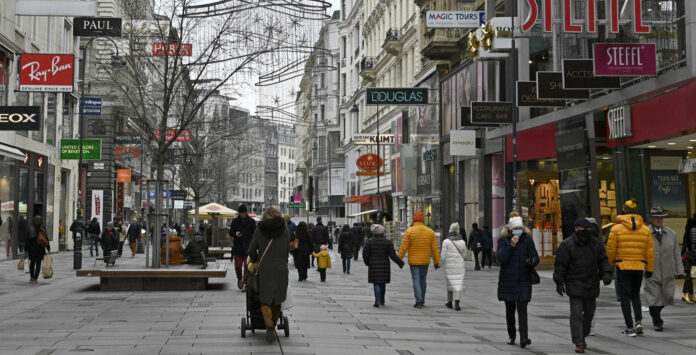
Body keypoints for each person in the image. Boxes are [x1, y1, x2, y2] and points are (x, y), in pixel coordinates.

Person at [554, 218, 612, 353]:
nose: (585, 232)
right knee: (576, 314)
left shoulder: (596, 244)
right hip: (574, 283)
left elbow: (603, 260)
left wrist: (607, 273)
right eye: (582, 230)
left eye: (587, 230)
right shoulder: (567, 245)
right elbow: (560, 265)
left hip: (591, 283)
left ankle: (583, 335)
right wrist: (559, 281)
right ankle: (579, 342)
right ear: (576, 229)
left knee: (589, 313)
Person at [606, 199, 654, 337]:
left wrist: (611, 264)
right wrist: (649, 268)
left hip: (622, 266)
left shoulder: (616, 229)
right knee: (635, 295)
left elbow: (611, 249)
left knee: (624, 297)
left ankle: (629, 326)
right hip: (639, 266)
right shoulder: (645, 229)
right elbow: (649, 251)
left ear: (623, 211)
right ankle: (638, 321)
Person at [247, 206, 290, 343]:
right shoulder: (284, 229)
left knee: (264, 299)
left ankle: (268, 323)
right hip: (281, 268)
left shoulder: (260, 229)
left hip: (265, 268)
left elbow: (252, 250)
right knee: (277, 299)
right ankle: (273, 325)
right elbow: (287, 249)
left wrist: (254, 260)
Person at [497, 214, 538, 348]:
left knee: (522, 310)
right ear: (510, 229)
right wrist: (511, 245)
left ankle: (524, 338)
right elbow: (501, 258)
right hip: (508, 280)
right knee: (510, 311)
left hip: (523, 279)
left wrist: (532, 261)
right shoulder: (503, 241)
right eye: (516, 228)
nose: (518, 230)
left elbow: (535, 256)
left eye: (520, 228)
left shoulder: (527, 240)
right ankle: (512, 335)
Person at [644, 207, 683, 332]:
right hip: (651, 271)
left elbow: (677, 252)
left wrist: (679, 269)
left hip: (668, 271)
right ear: (651, 219)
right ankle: (657, 321)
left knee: (666, 297)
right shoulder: (645, 233)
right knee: (653, 298)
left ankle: (657, 314)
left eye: (661, 217)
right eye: (656, 217)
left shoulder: (671, 233)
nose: (659, 220)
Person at [398, 211, 440, 309]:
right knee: (423, 279)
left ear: (414, 219)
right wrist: (436, 261)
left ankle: (419, 300)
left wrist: (399, 259)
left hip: (414, 261)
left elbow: (404, 247)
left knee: (416, 279)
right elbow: (434, 249)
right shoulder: (430, 231)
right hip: (425, 260)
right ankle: (422, 299)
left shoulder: (410, 231)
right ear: (423, 220)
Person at [363, 224, 403, 307]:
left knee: (376, 283)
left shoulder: (369, 242)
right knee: (382, 283)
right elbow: (392, 255)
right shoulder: (387, 242)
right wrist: (400, 262)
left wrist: (367, 262)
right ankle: (382, 299)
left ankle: (377, 299)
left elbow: (365, 254)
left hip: (373, 264)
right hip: (384, 265)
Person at [229, 205, 257, 290]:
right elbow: (231, 232)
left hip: (248, 247)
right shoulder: (235, 221)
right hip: (238, 247)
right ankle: (239, 279)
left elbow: (255, 234)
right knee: (237, 266)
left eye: (244, 213)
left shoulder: (251, 221)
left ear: (246, 212)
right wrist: (235, 233)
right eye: (241, 213)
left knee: (246, 267)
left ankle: (245, 283)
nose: (243, 214)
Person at [441, 222, 467, 311]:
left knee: (450, 283)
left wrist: (439, 264)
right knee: (458, 283)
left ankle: (449, 301)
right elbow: (464, 255)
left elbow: (443, 257)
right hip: (459, 265)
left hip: (449, 265)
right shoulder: (462, 242)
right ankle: (457, 302)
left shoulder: (446, 242)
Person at [26, 215, 49, 284]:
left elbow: (27, 239)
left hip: (31, 248)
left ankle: (31, 278)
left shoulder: (30, 227)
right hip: (39, 248)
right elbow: (46, 238)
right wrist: (48, 248)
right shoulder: (42, 228)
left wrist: (26, 249)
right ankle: (35, 279)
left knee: (32, 263)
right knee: (38, 263)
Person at [682, 214, 696, 303]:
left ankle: (690, 294)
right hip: (693, 256)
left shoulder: (690, 228)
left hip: (689, 255)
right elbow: (694, 244)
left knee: (690, 275)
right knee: (690, 276)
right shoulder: (694, 229)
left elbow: (685, 243)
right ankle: (687, 294)